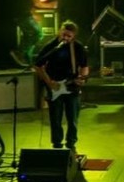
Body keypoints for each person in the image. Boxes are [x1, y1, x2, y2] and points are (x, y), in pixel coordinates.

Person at [32, 20, 89, 152]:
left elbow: (85, 66)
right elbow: (37, 65)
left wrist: (82, 78)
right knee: (55, 119)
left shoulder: (78, 48)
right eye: (64, 34)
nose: (65, 38)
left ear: (74, 36)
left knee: (72, 119)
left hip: (72, 87)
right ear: (59, 31)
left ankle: (71, 144)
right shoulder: (51, 46)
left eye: (69, 36)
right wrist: (49, 82)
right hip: (55, 87)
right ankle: (57, 144)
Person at [11, 0, 59, 67]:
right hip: (21, 13)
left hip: (22, 12)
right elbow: (37, 3)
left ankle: (27, 60)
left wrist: (33, 13)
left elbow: (28, 2)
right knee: (38, 33)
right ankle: (19, 53)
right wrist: (52, 5)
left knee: (29, 35)